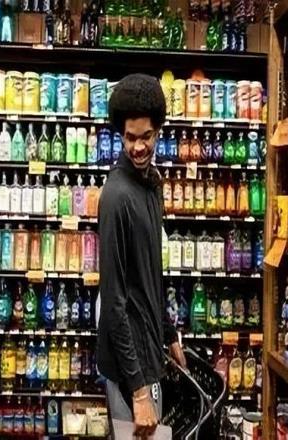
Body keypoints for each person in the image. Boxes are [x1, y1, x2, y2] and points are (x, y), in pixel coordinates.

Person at [97, 73, 187, 438]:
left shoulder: (151, 185)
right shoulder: (116, 197)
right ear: (121, 135)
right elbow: (114, 300)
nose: (138, 147)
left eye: (146, 136)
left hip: (149, 351)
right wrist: (138, 391)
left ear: (158, 131)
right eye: (130, 138)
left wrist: (169, 333)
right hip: (128, 369)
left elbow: (150, 274)